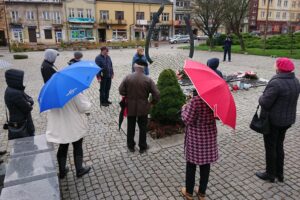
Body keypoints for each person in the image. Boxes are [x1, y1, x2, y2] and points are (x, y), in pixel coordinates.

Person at [256, 58, 300, 183]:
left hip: (273, 121)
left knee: (271, 147)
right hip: (287, 120)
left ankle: (270, 174)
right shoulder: (296, 81)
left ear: (279, 68)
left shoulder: (276, 82)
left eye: (276, 65)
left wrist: (261, 96)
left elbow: (265, 102)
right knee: (279, 146)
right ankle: (280, 174)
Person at [180, 91, 218, 200]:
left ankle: (189, 193)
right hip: (209, 138)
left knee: (191, 165)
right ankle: (201, 193)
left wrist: (184, 108)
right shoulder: (214, 99)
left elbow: (187, 120)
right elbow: (217, 117)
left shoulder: (196, 101)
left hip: (195, 140)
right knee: (206, 165)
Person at [46, 92, 92, 179]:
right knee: (77, 146)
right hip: (74, 123)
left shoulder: (52, 94)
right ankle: (79, 169)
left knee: (63, 146)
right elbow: (83, 107)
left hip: (61, 125)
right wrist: (88, 103)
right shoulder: (73, 90)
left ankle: (62, 171)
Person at [119, 62, 160, 153]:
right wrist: (152, 103)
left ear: (135, 68)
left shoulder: (127, 77)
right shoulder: (148, 80)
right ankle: (142, 146)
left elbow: (121, 90)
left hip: (130, 106)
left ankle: (130, 146)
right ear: (143, 69)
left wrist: (128, 95)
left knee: (130, 127)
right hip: (143, 107)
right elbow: (157, 94)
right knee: (142, 127)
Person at [4, 69, 35, 140]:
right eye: (22, 78)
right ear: (16, 79)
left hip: (20, 122)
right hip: (22, 125)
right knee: (26, 144)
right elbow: (28, 108)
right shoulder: (15, 93)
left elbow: (28, 98)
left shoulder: (13, 88)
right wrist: (29, 101)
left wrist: (29, 100)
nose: (23, 80)